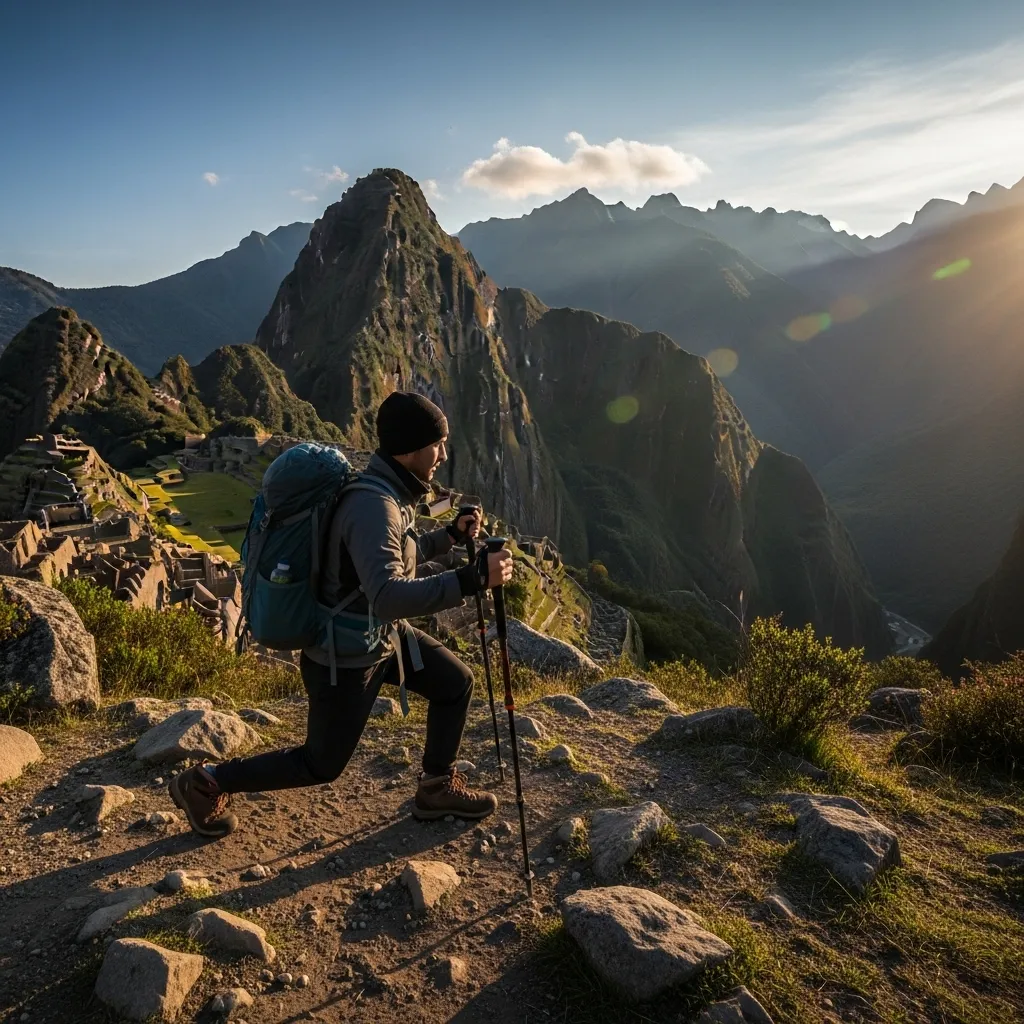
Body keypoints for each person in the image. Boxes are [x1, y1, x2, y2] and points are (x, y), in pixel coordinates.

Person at [169, 391, 514, 838]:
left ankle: (435, 786)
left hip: (380, 638)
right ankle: (208, 780)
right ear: (409, 447)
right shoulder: (376, 506)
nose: (443, 454)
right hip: (346, 655)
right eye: (438, 444)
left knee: (455, 682)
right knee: (321, 764)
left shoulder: (387, 491)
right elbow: (389, 594)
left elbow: (392, 559)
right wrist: (473, 580)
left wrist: (448, 537)